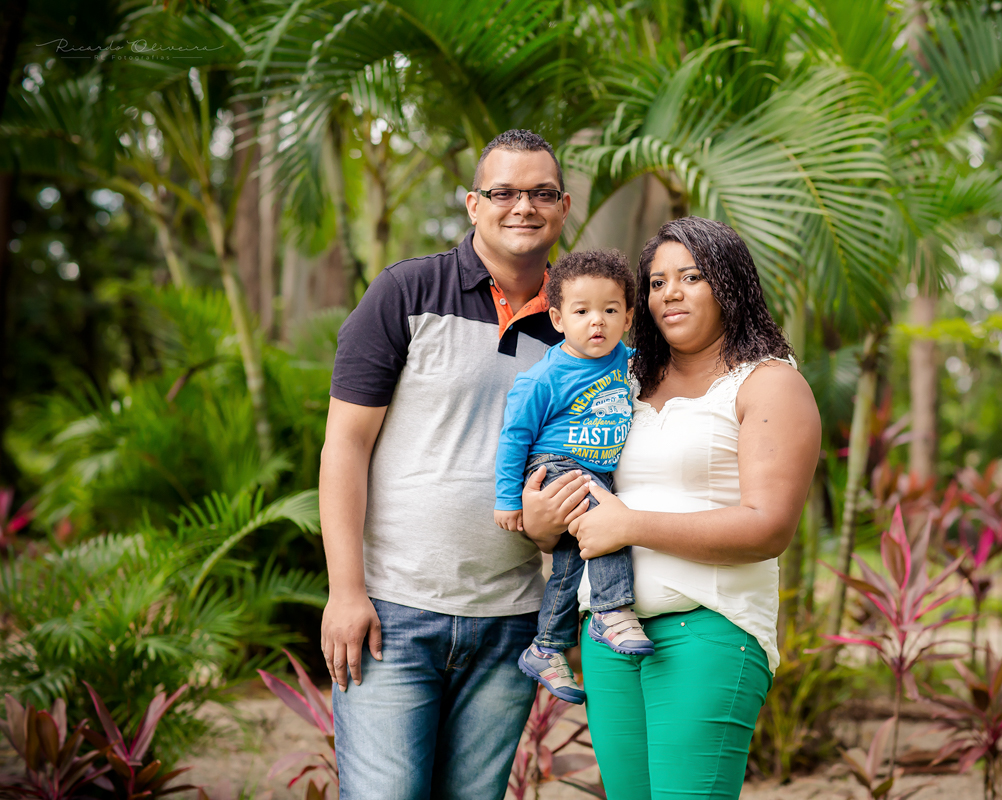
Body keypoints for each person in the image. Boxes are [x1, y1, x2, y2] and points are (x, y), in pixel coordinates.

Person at [318, 129, 593, 800]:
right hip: (392, 614)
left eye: (541, 193)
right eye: (503, 192)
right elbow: (345, 445)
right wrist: (346, 592)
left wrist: (553, 525)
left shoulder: (585, 324)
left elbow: (588, 457)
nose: (522, 207)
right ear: (473, 204)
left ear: (563, 207)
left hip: (512, 622)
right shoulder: (405, 292)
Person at [562, 216, 821, 798]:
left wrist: (630, 525)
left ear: (730, 283)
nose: (670, 293)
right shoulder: (621, 380)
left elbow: (767, 527)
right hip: (608, 633)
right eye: (656, 283)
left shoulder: (768, 384)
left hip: (707, 628)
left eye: (691, 277)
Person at [493, 249, 653, 706]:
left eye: (610, 310)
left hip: (597, 470)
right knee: (609, 521)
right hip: (556, 467)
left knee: (567, 566)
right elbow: (514, 437)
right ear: (558, 319)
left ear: (628, 317)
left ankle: (545, 646)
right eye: (582, 312)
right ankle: (611, 609)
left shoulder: (629, 362)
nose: (597, 321)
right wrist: (508, 499)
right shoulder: (544, 377)